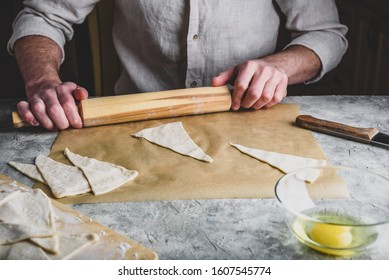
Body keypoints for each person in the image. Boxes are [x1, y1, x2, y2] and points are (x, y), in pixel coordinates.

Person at [8, 0, 347, 131]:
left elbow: (326, 34)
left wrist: (280, 67)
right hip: (132, 126)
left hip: (249, 120)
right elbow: (43, 15)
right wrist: (42, 81)